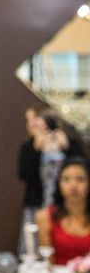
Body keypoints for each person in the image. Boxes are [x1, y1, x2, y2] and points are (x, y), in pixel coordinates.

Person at [17, 104, 85, 254]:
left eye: (34, 119)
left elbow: (82, 168)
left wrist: (66, 147)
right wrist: (36, 149)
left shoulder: (68, 142)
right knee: (34, 250)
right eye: (28, 120)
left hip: (65, 207)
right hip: (37, 205)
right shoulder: (29, 146)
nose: (30, 124)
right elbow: (24, 173)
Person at [36, 156, 90, 265]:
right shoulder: (44, 216)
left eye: (80, 179)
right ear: (58, 184)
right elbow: (48, 263)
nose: (73, 186)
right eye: (66, 179)